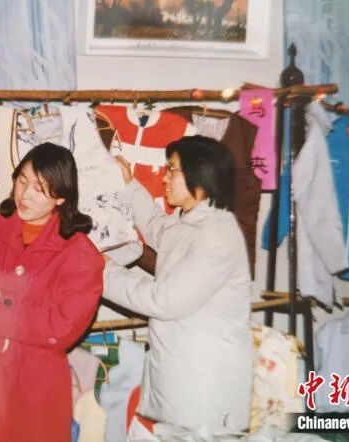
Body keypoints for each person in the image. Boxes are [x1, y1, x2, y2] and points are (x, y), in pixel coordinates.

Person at [0, 142, 105, 442]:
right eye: (22, 181)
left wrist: (1, 304)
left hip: (32, 392)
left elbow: (63, 327)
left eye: (40, 189)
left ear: (61, 197)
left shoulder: (80, 255)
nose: (25, 195)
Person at [103, 135, 253, 435]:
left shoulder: (217, 236)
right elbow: (157, 228)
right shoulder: (190, 222)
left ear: (200, 176)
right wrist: (129, 186)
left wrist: (102, 271)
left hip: (205, 389)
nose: (165, 178)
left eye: (172, 170)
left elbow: (163, 301)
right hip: (181, 380)